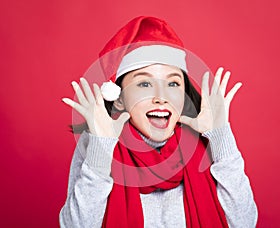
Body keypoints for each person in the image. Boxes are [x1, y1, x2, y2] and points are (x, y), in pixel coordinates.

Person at [60, 16, 258, 227]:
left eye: (173, 83)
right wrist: (100, 149)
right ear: (119, 98)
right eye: (145, 84)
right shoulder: (97, 146)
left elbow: (244, 222)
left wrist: (220, 135)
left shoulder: (207, 144)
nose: (161, 97)